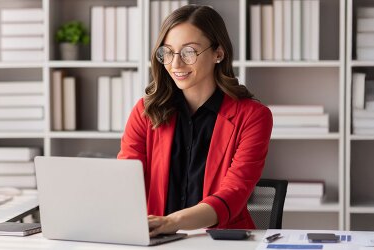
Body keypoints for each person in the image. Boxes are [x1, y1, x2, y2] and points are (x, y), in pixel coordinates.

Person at [117, 5, 273, 237]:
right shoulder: (146, 111)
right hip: (157, 239)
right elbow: (124, 181)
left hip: (220, 240)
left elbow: (234, 193)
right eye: (167, 52)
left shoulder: (253, 116)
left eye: (189, 52)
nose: (175, 64)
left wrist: (173, 221)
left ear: (218, 53)